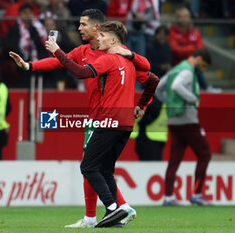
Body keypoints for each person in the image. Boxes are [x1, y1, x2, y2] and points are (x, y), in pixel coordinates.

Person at [9, 9, 151, 228]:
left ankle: (111, 210)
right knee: (99, 167)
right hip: (103, 117)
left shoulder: (115, 56)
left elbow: (148, 74)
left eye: (83, 24)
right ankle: (109, 211)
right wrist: (30, 66)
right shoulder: (84, 51)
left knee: (90, 165)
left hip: (104, 117)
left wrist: (142, 104)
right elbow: (59, 63)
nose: (79, 28)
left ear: (97, 28)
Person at [44, 20, 159, 227]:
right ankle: (116, 218)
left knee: (88, 167)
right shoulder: (130, 61)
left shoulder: (109, 59)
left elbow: (80, 73)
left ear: (113, 39)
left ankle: (115, 208)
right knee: (105, 169)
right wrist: (141, 105)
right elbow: (153, 79)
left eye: (103, 36)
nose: (99, 38)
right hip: (125, 124)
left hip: (108, 121)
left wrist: (57, 51)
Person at [156, 48, 213, 206]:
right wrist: (192, 99)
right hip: (188, 120)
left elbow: (159, 86)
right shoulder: (187, 71)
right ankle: (197, 193)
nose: (202, 68)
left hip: (174, 121)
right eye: (203, 64)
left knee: (174, 160)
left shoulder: (176, 69)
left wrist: (168, 102)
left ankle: (168, 197)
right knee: (205, 154)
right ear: (198, 57)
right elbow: (176, 86)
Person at [3, 3, 47, 88]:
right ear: (20, 14)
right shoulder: (14, 29)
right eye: (25, 12)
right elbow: (10, 47)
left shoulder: (36, 29)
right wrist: (22, 57)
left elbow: (40, 47)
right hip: (19, 59)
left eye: (29, 12)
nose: (27, 15)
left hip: (35, 59)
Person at [131, 95, 168, 161]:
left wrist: (140, 123)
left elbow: (153, 113)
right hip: (159, 136)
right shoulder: (163, 97)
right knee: (154, 166)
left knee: (147, 166)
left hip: (148, 136)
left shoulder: (154, 97)